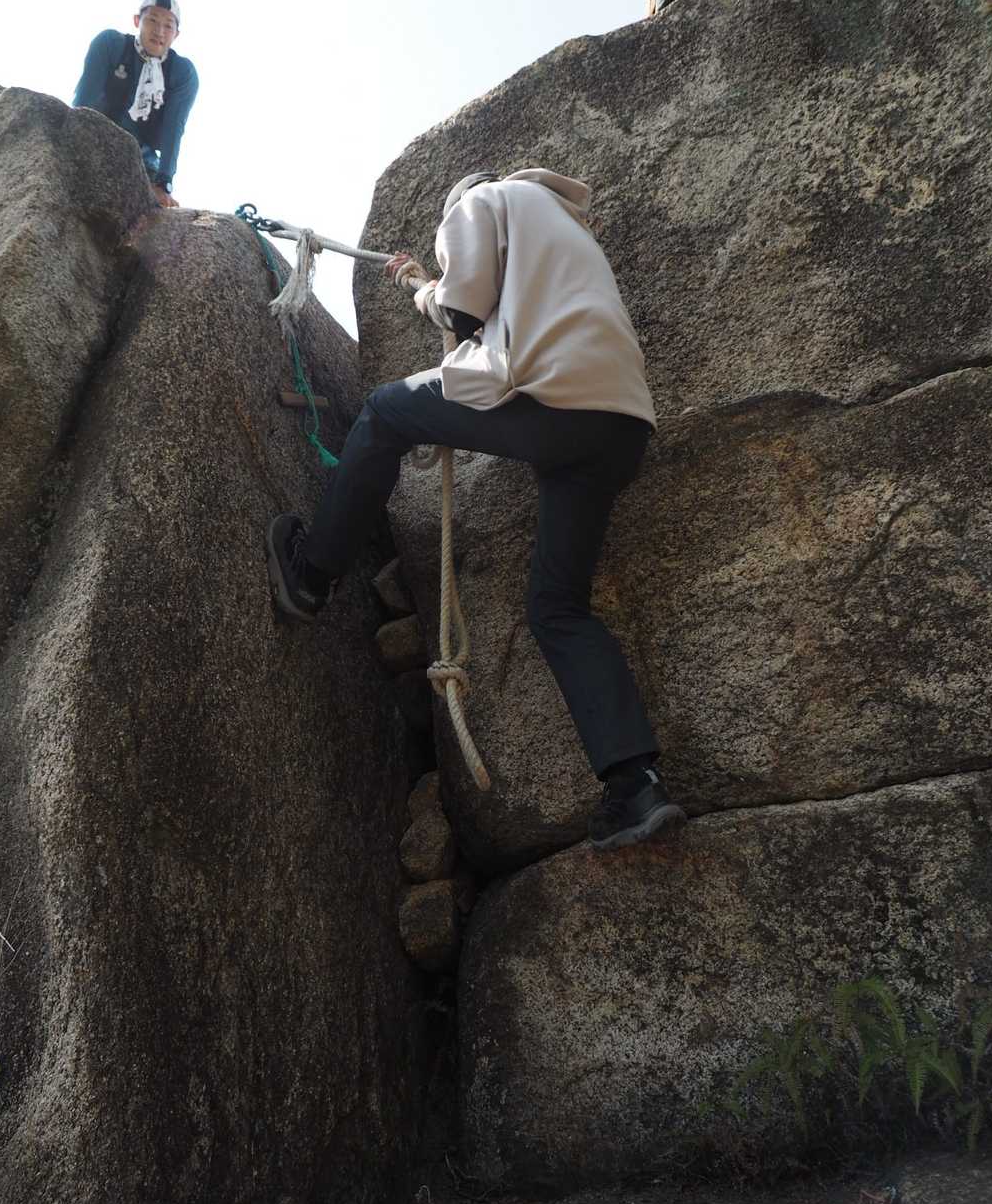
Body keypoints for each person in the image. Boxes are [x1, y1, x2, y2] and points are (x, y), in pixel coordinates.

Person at [265, 168, 682, 852]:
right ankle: (637, 786)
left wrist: (421, 286)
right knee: (558, 608)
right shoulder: (566, 229)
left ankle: (312, 573)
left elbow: (463, 309)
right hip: (620, 424)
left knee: (385, 413)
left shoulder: (485, 200)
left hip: (551, 398)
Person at [73, 0, 198, 208]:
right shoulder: (110, 44)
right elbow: (83, 102)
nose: (159, 31)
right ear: (137, 21)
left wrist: (164, 182)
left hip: (142, 159)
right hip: (95, 139)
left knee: (153, 205)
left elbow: (174, 128)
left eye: (168, 26)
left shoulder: (181, 72)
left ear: (176, 34)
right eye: (152, 20)